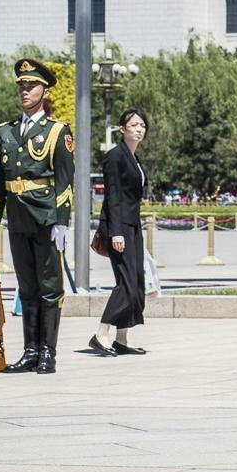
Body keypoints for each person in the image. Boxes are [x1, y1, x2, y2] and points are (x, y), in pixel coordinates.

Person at [0, 58, 73, 374]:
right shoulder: (5, 132)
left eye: (30, 85)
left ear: (43, 90)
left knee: (49, 287)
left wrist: (62, 221)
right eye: (21, 85)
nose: (24, 91)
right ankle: (30, 351)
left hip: (46, 219)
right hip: (18, 221)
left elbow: (65, 180)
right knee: (27, 286)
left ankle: (48, 352)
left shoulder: (57, 132)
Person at [90, 107, 150, 356]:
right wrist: (115, 233)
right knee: (125, 283)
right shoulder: (115, 156)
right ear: (122, 129)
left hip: (132, 226)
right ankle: (101, 333)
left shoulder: (134, 158)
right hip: (119, 227)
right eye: (134, 125)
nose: (138, 129)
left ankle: (121, 339)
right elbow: (112, 196)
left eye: (142, 126)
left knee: (136, 283)